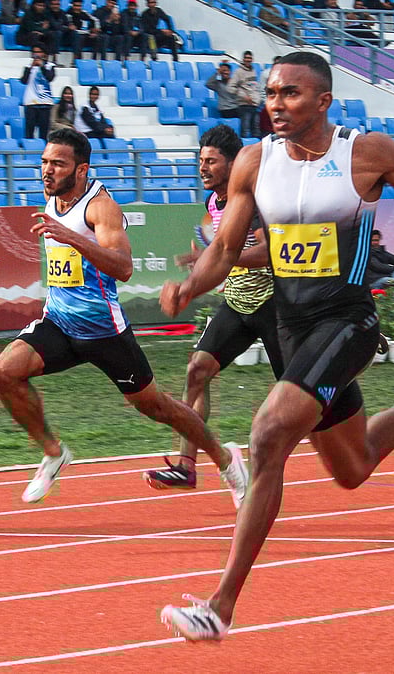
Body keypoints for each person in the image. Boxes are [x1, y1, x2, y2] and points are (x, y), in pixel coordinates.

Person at [156, 51, 394, 641]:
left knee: (269, 432)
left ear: (323, 101)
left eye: (291, 94)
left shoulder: (365, 154)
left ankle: (221, 606)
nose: (275, 103)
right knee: (353, 467)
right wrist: (189, 289)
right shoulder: (253, 161)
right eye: (271, 93)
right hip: (293, 325)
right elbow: (223, 250)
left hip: (348, 321)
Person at [0, 127, 236, 505]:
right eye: (44, 162)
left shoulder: (100, 207)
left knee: (157, 406)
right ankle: (54, 453)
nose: (47, 170)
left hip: (104, 332)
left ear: (82, 170)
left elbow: (123, 267)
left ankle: (226, 461)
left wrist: (73, 238)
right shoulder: (53, 195)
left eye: (57, 164)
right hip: (58, 322)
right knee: (4, 372)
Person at [142, 124, 275, 501]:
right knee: (197, 370)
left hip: (275, 303)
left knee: (298, 398)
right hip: (236, 301)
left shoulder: (250, 201)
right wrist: (195, 279)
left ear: (234, 165)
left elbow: (267, 253)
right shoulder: (213, 204)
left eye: (210, 161)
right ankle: (187, 466)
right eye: (200, 160)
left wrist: (220, 257)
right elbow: (222, 252)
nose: (202, 167)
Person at [21, 46, 56, 140]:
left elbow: (50, 78)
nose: (36, 54)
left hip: (45, 102)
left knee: (44, 132)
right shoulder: (28, 67)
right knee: (29, 131)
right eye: (34, 52)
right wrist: (31, 67)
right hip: (31, 102)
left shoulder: (50, 66)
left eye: (39, 52)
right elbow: (24, 80)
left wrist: (42, 66)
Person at [229, 51, 261, 138]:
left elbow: (255, 87)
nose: (248, 60)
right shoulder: (238, 72)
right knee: (245, 130)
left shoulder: (254, 71)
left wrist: (258, 99)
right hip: (244, 106)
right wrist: (243, 97)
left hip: (255, 105)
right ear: (243, 59)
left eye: (250, 58)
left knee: (256, 130)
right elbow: (230, 87)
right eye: (246, 58)